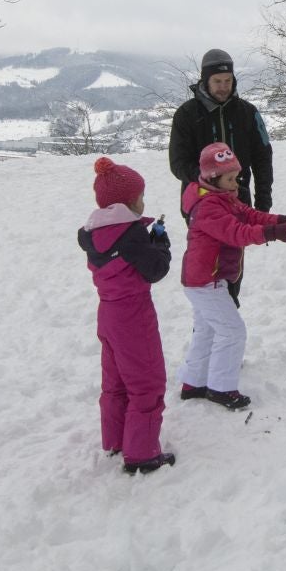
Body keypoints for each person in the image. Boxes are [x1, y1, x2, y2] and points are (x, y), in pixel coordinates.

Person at [177, 142, 286, 410]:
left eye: (237, 177)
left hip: (206, 279)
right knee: (233, 331)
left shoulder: (222, 196)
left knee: (207, 330)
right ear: (213, 178)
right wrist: (274, 233)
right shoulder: (208, 207)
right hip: (205, 282)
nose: (236, 184)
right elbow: (237, 232)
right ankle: (221, 388)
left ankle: (194, 382)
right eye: (231, 179)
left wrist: (281, 219)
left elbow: (248, 214)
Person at [77, 156, 175, 476]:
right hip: (133, 316)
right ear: (129, 201)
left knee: (116, 381)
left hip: (108, 314)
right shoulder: (131, 236)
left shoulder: (95, 233)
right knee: (146, 381)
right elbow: (155, 269)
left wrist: (146, 237)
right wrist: (160, 242)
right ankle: (142, 454)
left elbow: (122, 256)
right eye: (141, 197)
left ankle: (116, 440)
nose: (143, 201)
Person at [169, 48, 274, 307]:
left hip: (239, 199)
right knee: (207, 267)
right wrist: (209, 179)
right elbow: (178, 163)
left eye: (228, 81)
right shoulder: (187, 115)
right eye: (217, 81)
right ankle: (214, 325)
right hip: (201, 203)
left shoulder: (247, 113)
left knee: (231, 263)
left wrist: (263, 201)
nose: (223, 87)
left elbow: (263, 157)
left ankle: (226, 316)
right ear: (205, 80)